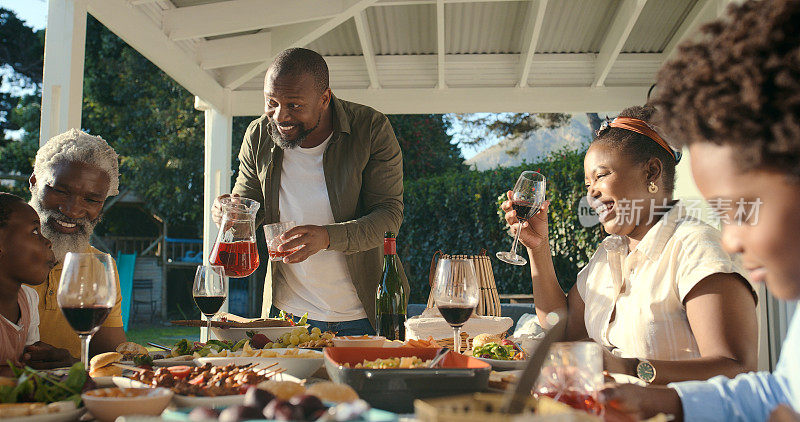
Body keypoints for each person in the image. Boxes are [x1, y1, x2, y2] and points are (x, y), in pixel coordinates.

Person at [599, 0, 800, 420]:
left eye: (740, 208)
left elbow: (739, 370)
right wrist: (661, 400)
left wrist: (637, 372)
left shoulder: (692, 244)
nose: (729, 238)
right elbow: (780, 391)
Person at [500, 105, 758, 385]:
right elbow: (561, 332)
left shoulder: (697, 249)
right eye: (587, 184)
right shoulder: (609, 253)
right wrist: (537, 248)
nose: (592, 193)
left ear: (651, 173)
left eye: (601, 175)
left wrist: (628, 367)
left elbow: (738, 370)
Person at [213, 48, 407, 336]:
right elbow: (247, 205)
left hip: (365, 313)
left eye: (294, 105)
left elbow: (389, 217)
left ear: (324, 98)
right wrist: (229, 211)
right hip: (288, 315)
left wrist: (328, 237)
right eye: (271, 102)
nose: (280, 115)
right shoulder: (258, 136)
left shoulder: (370, 129)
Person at [28, 129, 127, 359]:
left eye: (91, 200)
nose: (72, 210)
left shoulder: (101, 266)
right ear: (33, 182)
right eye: (60, 191)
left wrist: (69, 366)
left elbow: (109, 359)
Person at [0, 193, 72, 374]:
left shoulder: (28, 299)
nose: (48, 242)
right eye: (35, 232)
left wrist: (46, 359)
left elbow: (29, 363)